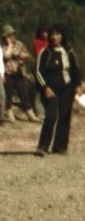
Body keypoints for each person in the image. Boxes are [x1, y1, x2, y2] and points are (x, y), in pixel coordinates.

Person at [34, 24, 82, 156]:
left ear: (62, 36)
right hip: (51, 89)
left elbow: (75, 69)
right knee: (51, 116)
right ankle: (42, 146)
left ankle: (60, 146)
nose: (54, 37)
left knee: (65, 117)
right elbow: (38, 72)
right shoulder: (45, 53)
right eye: (52, 34)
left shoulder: (68, 52)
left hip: (67, 88)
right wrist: (45, 88)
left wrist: (77, 85)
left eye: (57, 34)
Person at [1, 25, 39, 122]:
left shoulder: (20, 44)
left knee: (24, 93)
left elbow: (26, 55)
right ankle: (9, 112)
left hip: (19, 72)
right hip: (8, 73)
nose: (12, 37)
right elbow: (6, 56)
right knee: (8, 94)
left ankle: (30, 113)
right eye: (9, 36)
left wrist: (21, 56)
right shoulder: (2, 47)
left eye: (13, 35)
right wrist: (10, 47)